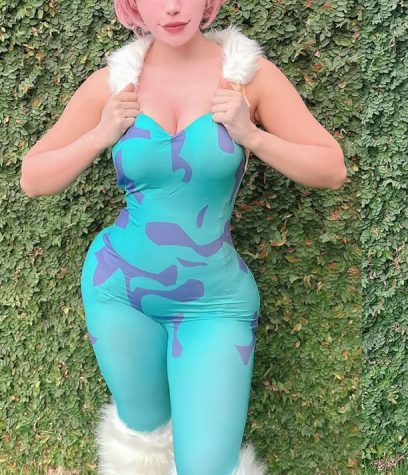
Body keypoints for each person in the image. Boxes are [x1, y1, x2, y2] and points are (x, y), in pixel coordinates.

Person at [19, 0, 346, 473]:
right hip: (119, 294)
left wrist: (252, 135)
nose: (172, 8)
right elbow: (33, 178)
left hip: (215, 305)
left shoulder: (249, 77)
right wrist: (100, 134)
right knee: (144, 442)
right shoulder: (115, 83)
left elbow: (331, 169)